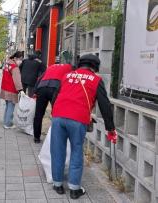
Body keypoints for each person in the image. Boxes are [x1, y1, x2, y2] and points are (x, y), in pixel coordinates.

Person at [50, 54, 117, 199]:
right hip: (78, 119)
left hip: (58, 116)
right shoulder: (96, 80)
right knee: (76, 151)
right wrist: (110, 128)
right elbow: (105, 105)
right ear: (95, 67)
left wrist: (56, 113)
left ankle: (57, 184)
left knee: (57, 150)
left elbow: (55, 96)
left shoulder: (67, 76)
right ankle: (74, 189)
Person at [33, 61, 73, 143]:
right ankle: (55, 138)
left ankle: (36, 137)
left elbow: (40, 78)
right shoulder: (70, 68)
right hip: (55, 88)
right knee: (56, 114)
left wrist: (35, 91)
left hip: (42, 87)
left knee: (38, 114)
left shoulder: (51, 67)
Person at [0, 51, 24, 129]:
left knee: (8, 106)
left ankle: (6, 121)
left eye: (21, 59)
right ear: (15, 58)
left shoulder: (7, 64)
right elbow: (17, 80)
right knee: (11, 106)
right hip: (11, 89)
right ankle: (8, 124)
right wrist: (20, 90)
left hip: (5, 88)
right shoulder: (15, 67)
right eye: (19, 59)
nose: (20, 61)